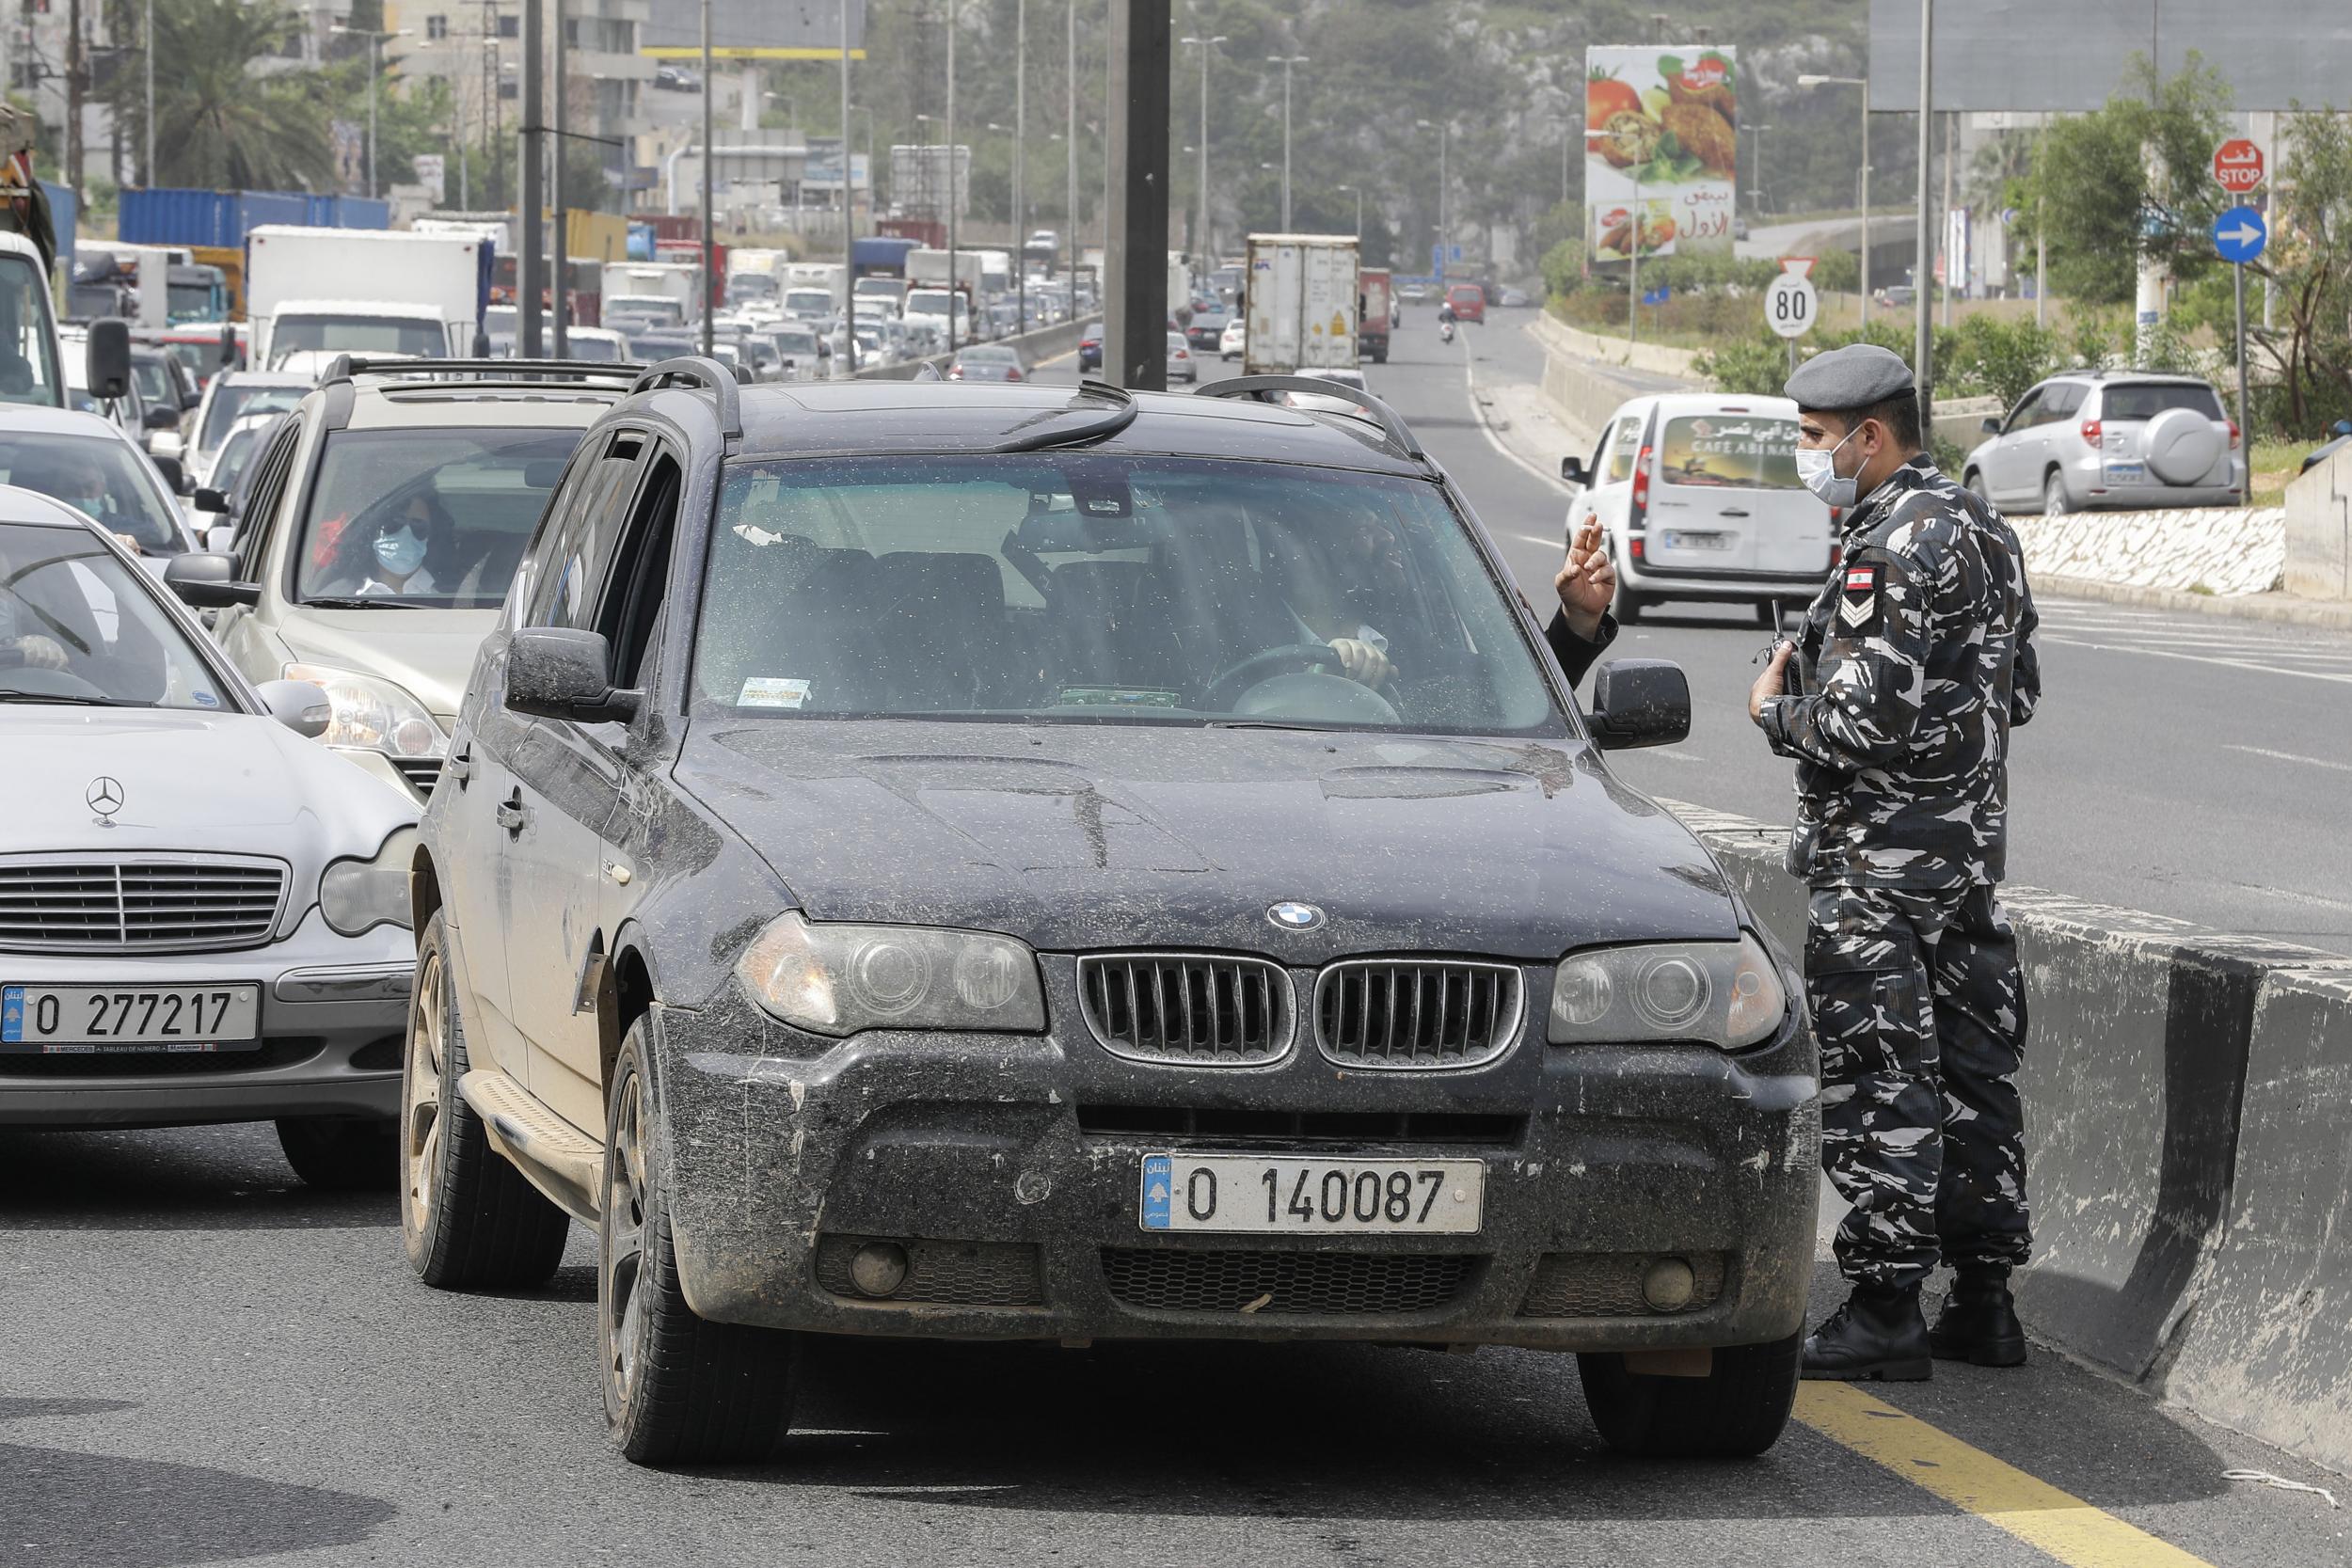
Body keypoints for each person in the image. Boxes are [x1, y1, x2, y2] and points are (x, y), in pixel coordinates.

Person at [1747, 342, 2041, 1382]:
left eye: (1813, 439)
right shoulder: (1985, 531)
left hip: (1876, 863)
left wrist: (1778, 710)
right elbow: (2017, 690)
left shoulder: (1884, 546)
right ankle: (1985, 1299)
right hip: (1964, 857)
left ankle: (1880, 1308)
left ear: (1870, 436)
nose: (1804, 455)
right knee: (1972, 1071)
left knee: (1881, 1073)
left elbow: (1862, 720)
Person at [328, 490, 447, 598]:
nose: (406, 534)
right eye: (394, 523)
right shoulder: (335, 597)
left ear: (430, 536)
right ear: (372, 531)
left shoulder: (447, 601)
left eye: (419, 526)